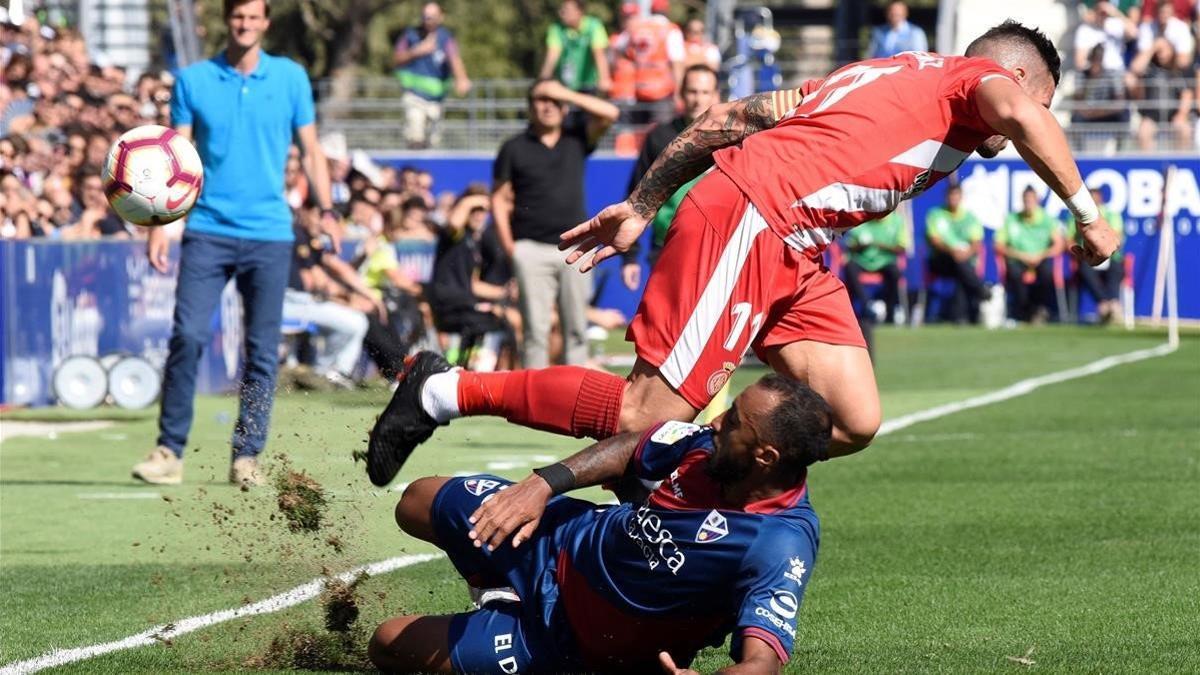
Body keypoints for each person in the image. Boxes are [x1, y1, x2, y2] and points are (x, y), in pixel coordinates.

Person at [363, 22, 1119, 489]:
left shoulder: (881, 76)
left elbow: (733, 116)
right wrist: (1085, 214)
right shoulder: (976, 82)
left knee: (849, 419)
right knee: (645, 413)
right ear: (1015, 77)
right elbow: (1017, 113)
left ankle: (680, 488)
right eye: (1042, 106)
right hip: (755, 218)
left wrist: (644, 202)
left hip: (797, 247)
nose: (1025, 129)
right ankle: (442, 389)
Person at [368, 374, 830, 673]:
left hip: (570, 644)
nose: (716, 422)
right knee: (415, 501)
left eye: (734, 423)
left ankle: (511, 621)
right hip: (564, 538)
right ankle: (492, 583)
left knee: (387, 644)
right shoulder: (710, 448)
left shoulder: (779, 542)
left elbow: (761, 663)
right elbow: (633, 446)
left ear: (765, 457)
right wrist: (543, 486)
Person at [132, 0, 338, 487]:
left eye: (253, 17)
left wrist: (327, 211)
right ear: (227, 21)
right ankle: (169, 451)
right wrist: (162, 222)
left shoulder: (290, 78)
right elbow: (174, 157)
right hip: (207, 230)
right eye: (237, 17)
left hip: (269, 231)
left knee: (262, 351)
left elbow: (310, 149)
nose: (245, 25)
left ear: (265, 22)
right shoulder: (194, 79)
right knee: (187, 335)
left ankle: (247, 456)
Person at [490, 78, 618, 369]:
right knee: (535, 331)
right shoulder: (514, 147)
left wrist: (566, 93)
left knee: (575, 329)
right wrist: (511, 248)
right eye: (540, 98)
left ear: (564, 106)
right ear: (529, 106)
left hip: (574, 249)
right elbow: (498, 198)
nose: (547, 105)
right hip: (530, 248)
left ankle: (572, 399)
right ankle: (535, 403)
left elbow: (610, 113)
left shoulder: (576, 138)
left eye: (553, 100)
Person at [620, 64, 721, 290]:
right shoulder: (659, 137)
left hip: (718, 245)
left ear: (716, 95)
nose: (697, 99)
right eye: (692, 91)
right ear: (682, 94)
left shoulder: (731, 138)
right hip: (668, 244)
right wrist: (630, 256)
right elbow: (637, 197)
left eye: (705, 92)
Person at [392, 2, 471, 149]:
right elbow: (396, 59)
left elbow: (454, 59)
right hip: (414, 96)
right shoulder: (410, 35)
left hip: (437, 100)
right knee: (415, 136)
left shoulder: (445, 38)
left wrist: (461, 78)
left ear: (441, 17)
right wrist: (417, 51)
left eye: (432, 17)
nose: (428, 20)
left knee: (433, 142)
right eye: (425, 17)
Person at [995, 186, 1064, 323]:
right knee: (1014, 273)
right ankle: (1024, 310)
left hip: (1040, 258)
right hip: (1018, 259)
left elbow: (1059, 245)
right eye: (1026, 200)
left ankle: (1039, 309)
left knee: (1047, 273)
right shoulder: (1012, 219)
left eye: (1031, 200)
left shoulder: (1047, 220)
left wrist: (1041, 255)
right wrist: (1021, 255)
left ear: (1037, 201)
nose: (1028, 203)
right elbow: (999, 245)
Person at [612, 0, 686, 125]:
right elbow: (677, 63)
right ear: (667, 10)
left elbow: (617, 47)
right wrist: (679, 93)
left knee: (638, 136)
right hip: (663, 93)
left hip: (638, 92)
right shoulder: (670, 30)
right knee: (661, 137)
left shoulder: (638, 28)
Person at [925, 184, 986, 324]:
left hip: (963, 261)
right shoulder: (936, 214)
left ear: (961, 197)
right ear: (946, 197)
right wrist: (953, 252)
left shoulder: (970, 217)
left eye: (956, 195)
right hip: (940, 259)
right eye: (951, 196)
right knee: (960, 266)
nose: (953, 199)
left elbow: (977, 243)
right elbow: (934, 240)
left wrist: (965, 254)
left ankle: (959, 317)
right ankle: (980, 290)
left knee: (961, 271)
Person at [1067, 187, 1125, 323]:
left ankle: (1113, 303)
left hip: (1110, 256)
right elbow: (1069, 239)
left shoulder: (1111, 215)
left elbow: (1118, 237)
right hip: (1089, 257)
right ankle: (1104, 303)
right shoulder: (1077, 216)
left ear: (1100, 199)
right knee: (1085, 270)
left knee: (1116, 269)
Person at [842, 211, 907, 325]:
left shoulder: (896, 221)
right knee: (849, 267)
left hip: (884, 261)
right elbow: (850, 246)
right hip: (862, 260)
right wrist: (861, 246)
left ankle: (890, 311)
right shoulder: (861, 220)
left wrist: (879, 245)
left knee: (894, 272)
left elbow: (901, 248)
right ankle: (868, 304)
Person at [539, 0, 611, 96]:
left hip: (588, 85)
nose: (562, 13)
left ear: (579, 11)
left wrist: (604, 78)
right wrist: (543, 81)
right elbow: (551, 57)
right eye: (562, 9)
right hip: (565, 85)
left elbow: (599, 54)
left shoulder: (593, 26)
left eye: (567, 10)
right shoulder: (556, 29)